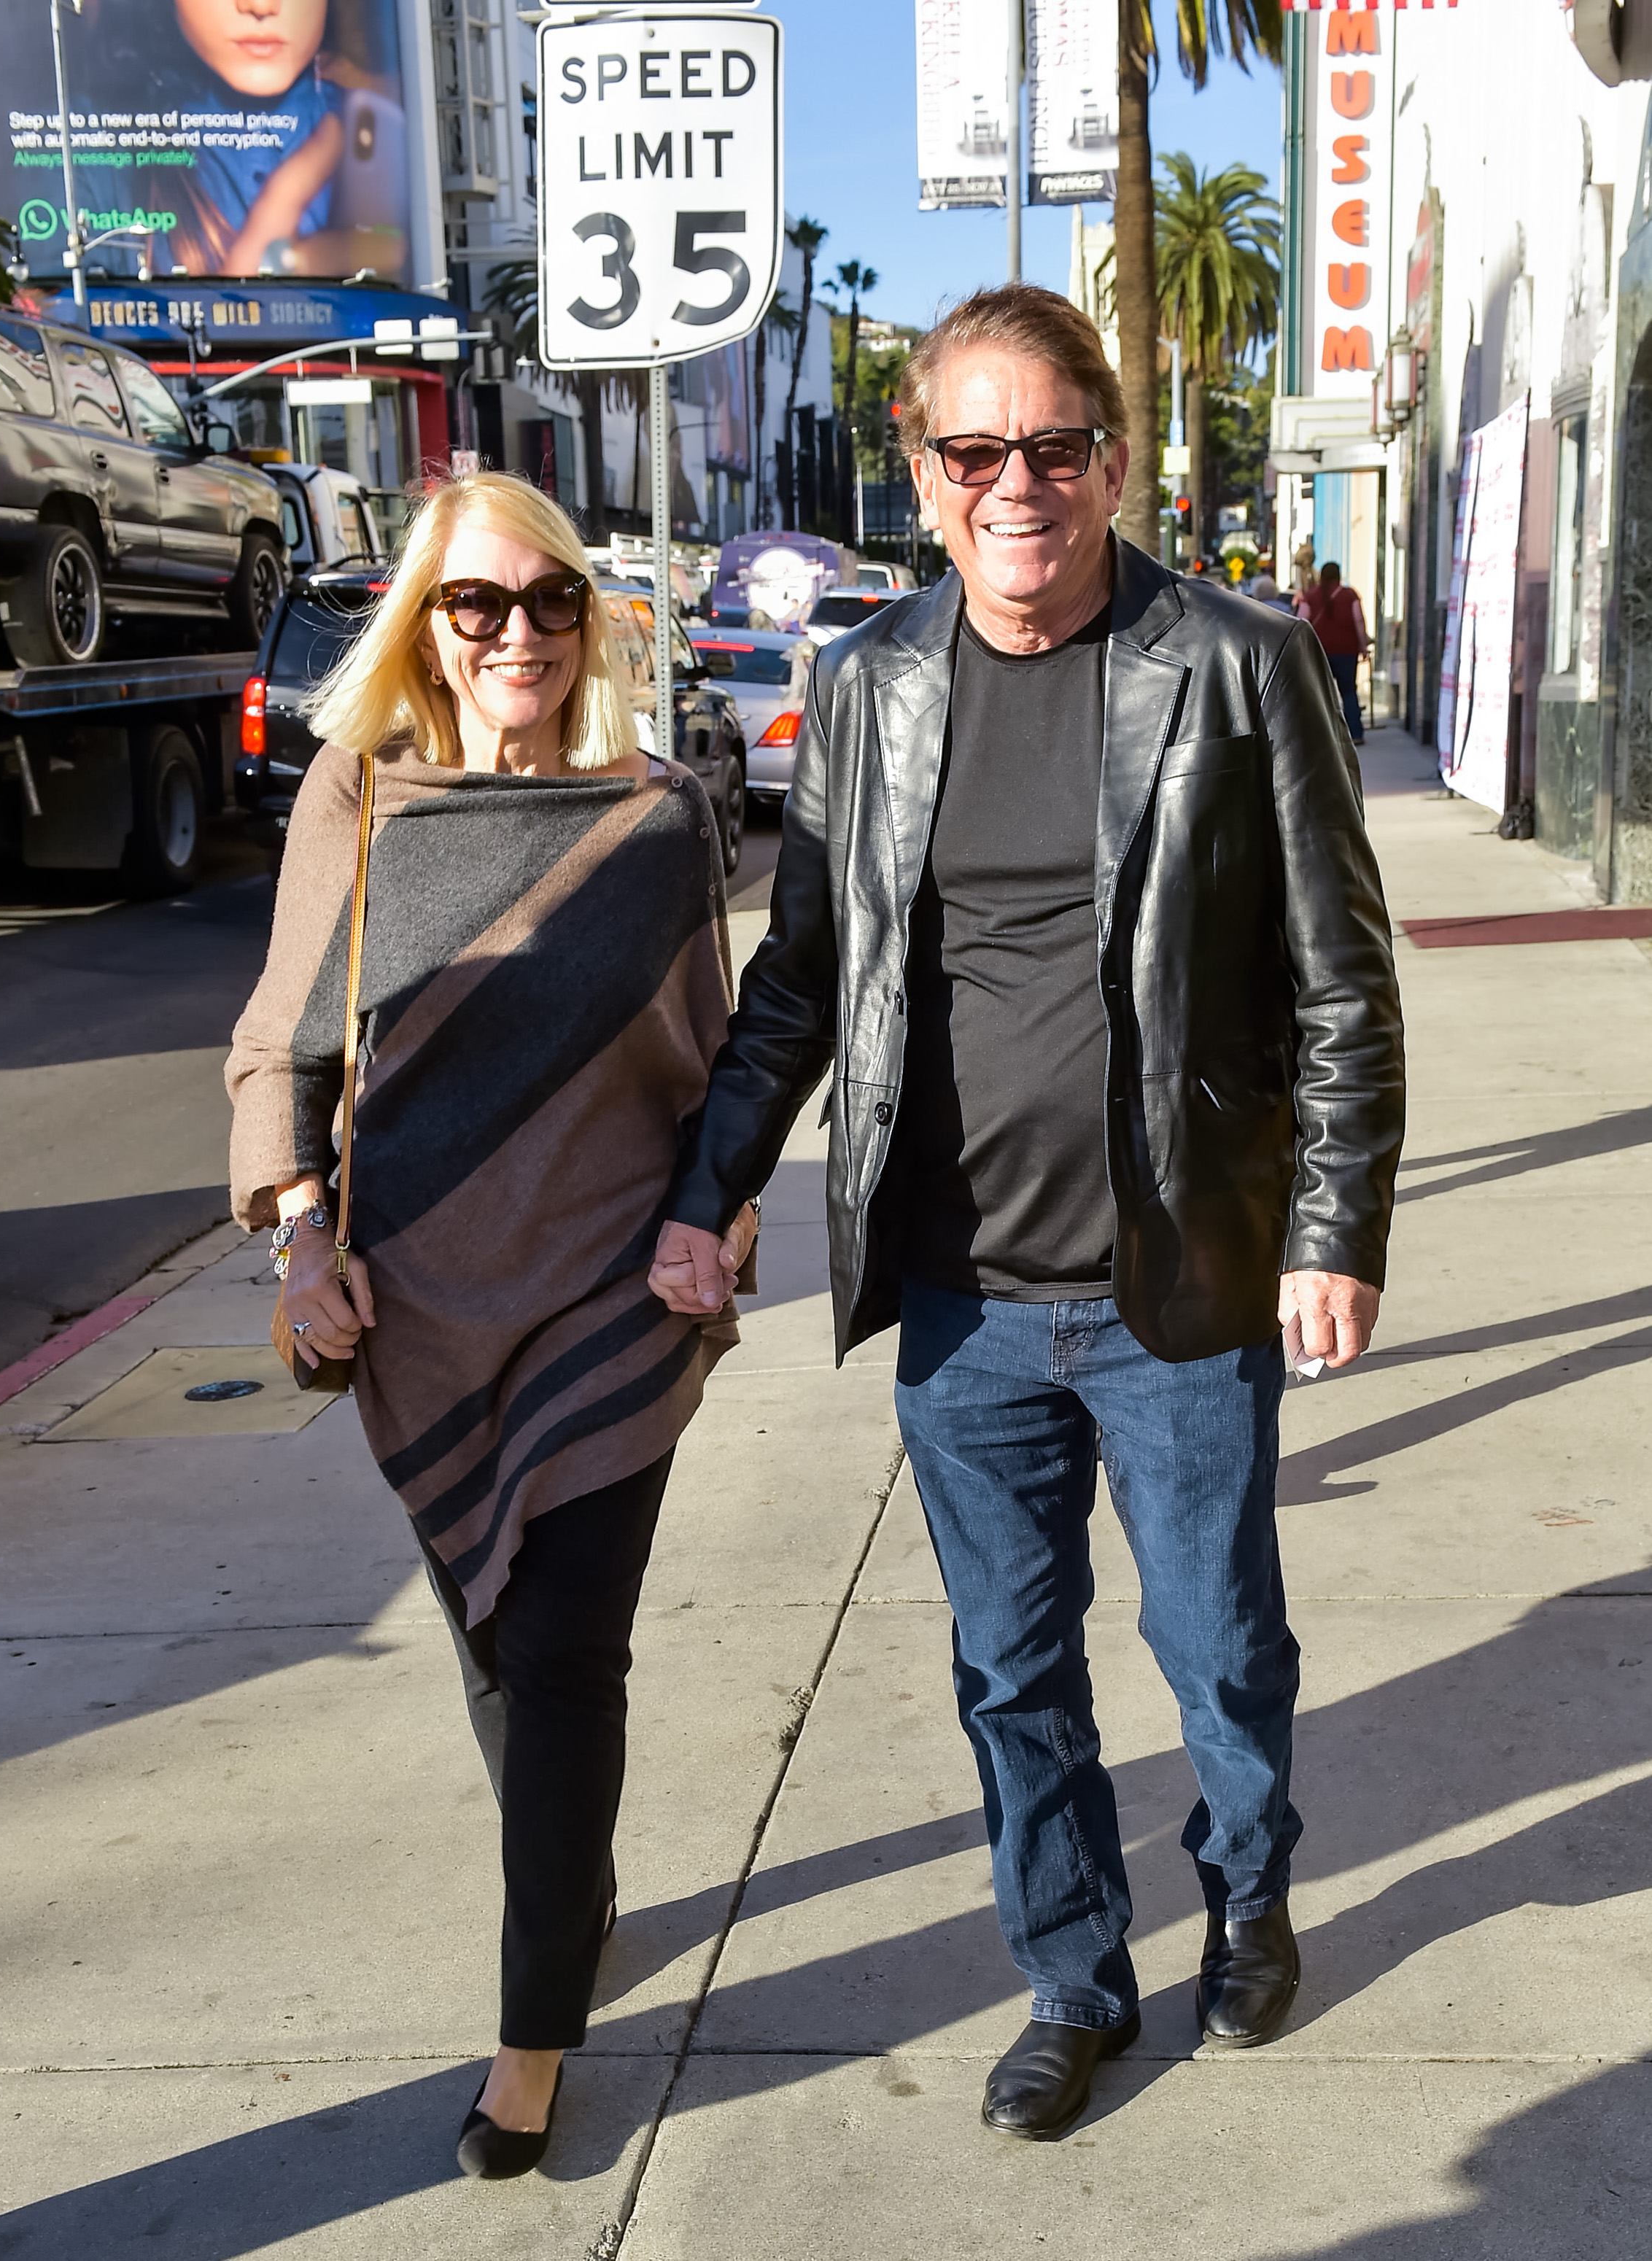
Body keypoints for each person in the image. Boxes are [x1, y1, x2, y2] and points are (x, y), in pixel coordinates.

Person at [651, 285, 1404, 2139]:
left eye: (1051, 448)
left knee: (1218, 1639)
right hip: (964, 1297)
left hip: (1185, 1273)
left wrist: (1333, 1224)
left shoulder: (1233, 661)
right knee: (1012, 1667)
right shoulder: (872, 686)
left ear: (1110, 458)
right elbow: (802, 983)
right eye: (973, 449)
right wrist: (708, 1187)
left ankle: (1245, 1893)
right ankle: (1073, 1972)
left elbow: (1340, 982)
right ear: (919, 467)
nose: (1016, 484)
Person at [227, 471, 756, 2180]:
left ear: (586, 620)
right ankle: (576, 1884)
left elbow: (720, 1074)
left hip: (605, 1305)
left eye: (546, 602)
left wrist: (715, 1220)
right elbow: (283, 1051)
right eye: (477, 604)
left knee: (560, 1654)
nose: (514, 633)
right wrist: (303, 1241)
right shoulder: (361, 803)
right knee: (488, 1636)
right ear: (426, 628)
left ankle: (533, 2038)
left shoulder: (657, 819)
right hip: (422, 1309)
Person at [1304, 561, 1371, 745]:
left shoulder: (1311, 596)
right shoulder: (1349, 595)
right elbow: (1358, 620)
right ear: (1339, 575)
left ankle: (1320, 737)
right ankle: (1355, 733)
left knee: (1319, 693)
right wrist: (1363, 645)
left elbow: (1302, 622)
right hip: (1346, 651)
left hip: (1318, 652)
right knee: (1349, 691)